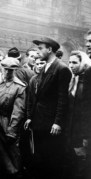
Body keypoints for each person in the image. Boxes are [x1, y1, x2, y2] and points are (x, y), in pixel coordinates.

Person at [24, 37, 72, 179]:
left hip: (51, 125)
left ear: (49, 49)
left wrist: (57, 122)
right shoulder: (45, 68)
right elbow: (37, 97)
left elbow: (63, 99)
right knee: (40, 159)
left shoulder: (62, 69)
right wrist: (30, 117)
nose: (38, 52)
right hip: (39, 123)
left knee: (52, 161)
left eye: (40, 48)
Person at [0, 57, 26, 178]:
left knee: (8, 157)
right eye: (6, 69)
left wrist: (12, 132)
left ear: (15, 70)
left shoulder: (19, 86)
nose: (8, 72)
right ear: (1, 68)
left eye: (11, 70)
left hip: (6, 122)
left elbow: (18, 112)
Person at [66, 51, 91, 179]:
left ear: (83, 63)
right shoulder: (72, 79)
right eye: (69, 62)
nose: (71, 65)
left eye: (75, 62)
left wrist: (85, 136)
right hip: (71, 129)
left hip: (83, 131)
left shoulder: (86, 81)